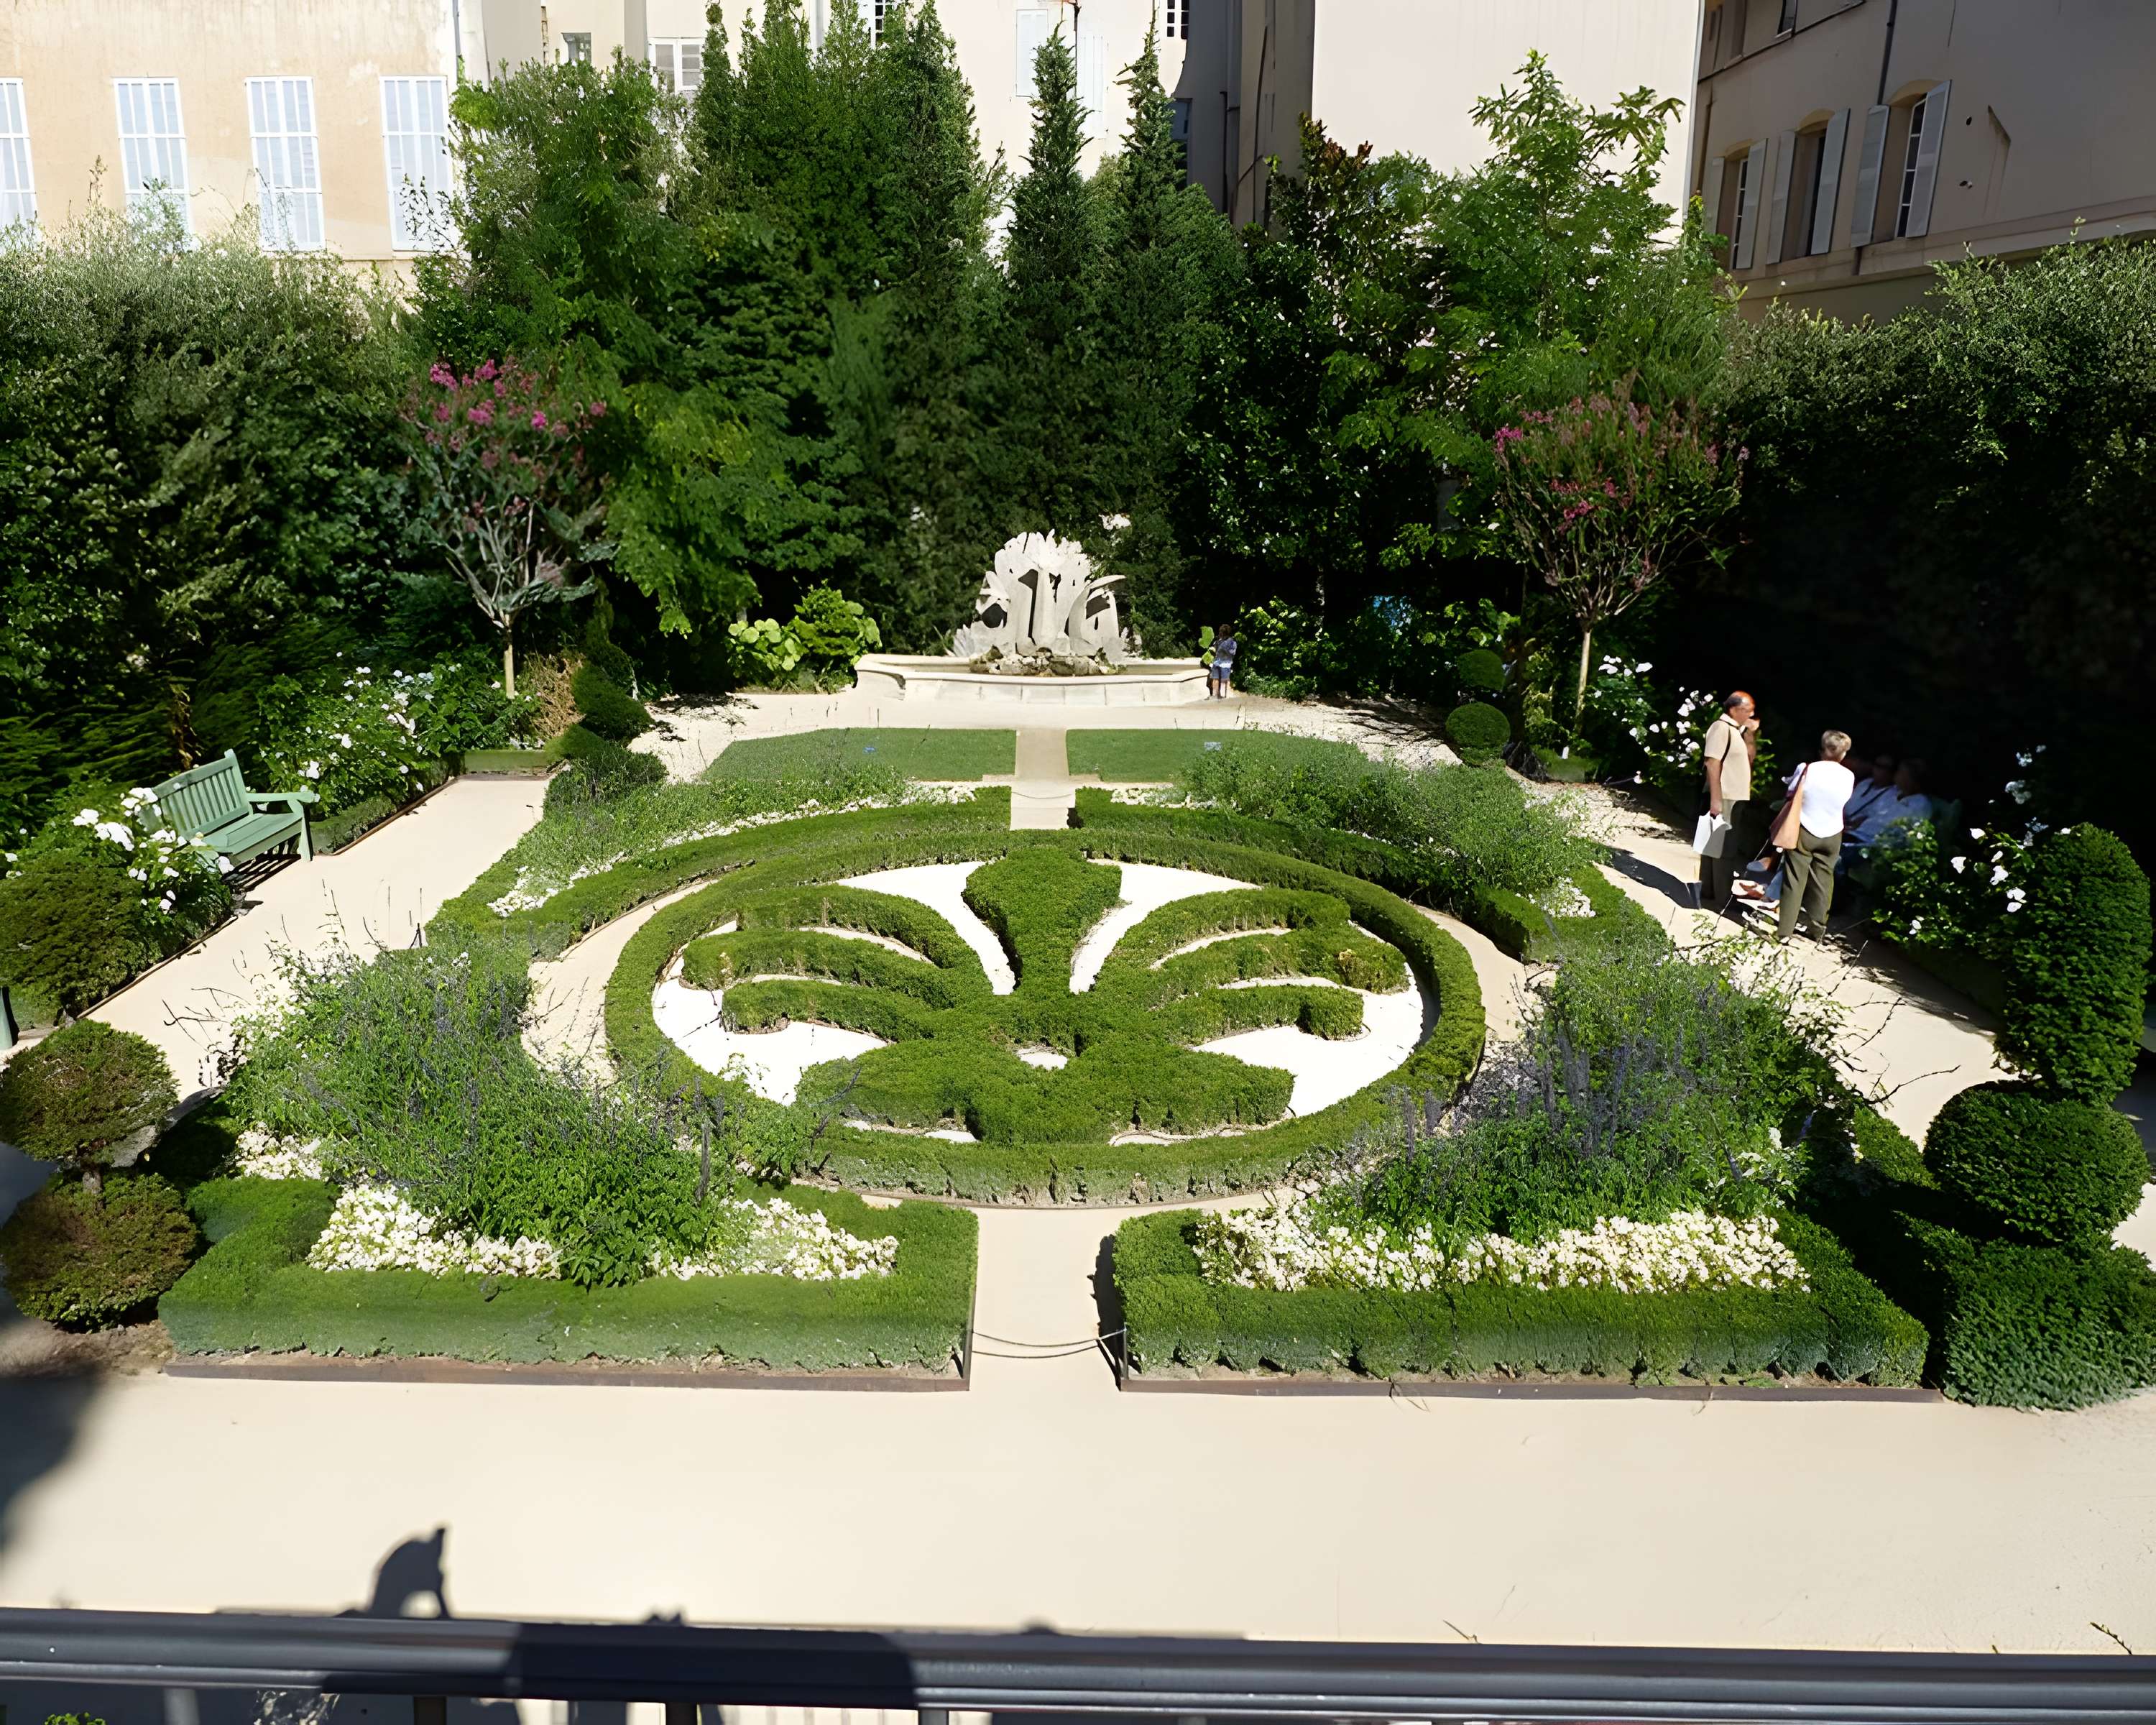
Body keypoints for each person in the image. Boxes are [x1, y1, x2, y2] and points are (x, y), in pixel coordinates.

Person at [1777, 730, 1857, 942]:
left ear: (1824, 749)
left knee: (1795, 879)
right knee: (1824, 881)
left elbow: (1791, 792)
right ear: (1842, 754)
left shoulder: (1808, 769)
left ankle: (1785, 931)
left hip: (1805, 826)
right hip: (1833, 831)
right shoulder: (1849, 776)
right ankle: (1817, 929)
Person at [1698, 690, 1758, 907]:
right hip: (1724, 795)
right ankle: (1720, 896)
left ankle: (1711, 891)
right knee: (1722, 847)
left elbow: (1750, 758)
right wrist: (1716, 798)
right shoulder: (1721, 728)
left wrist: (1750, 733)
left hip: (1734, 795)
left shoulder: (1737, 731)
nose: (1751, 714)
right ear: (1733, 709)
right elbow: (1712, 763)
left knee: (1716, 844)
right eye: (1747, 710)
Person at [1207, 625, 1238, 699]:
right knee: (1216, 679)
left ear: (1225, 633)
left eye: (1221, 632)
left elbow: (1232, 653)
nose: (1220, 633)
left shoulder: (1232, 642)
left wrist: (1224, 648)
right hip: (1218, 663)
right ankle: (1216, 696)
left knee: (1225, 681)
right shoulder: (1219, 641)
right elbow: (1216, 651)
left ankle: (1226, 697)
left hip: (1226, 664)